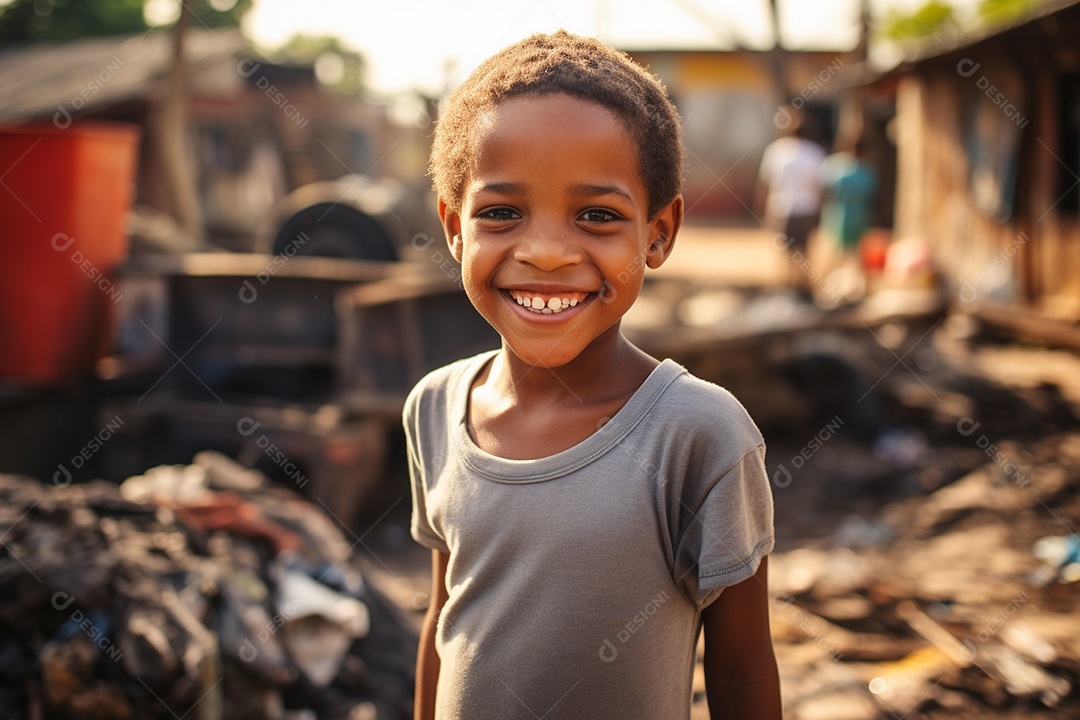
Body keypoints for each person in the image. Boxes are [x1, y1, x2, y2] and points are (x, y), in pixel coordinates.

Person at [406, 30, 779, 720]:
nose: (547, 252)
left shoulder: (699, 433)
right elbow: (443, 617)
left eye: (598, 216)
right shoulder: (433, 407)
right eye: (501, 213)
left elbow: (742, 669)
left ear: (659, 232)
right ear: (455, 228)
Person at [756, 108, 826, 292]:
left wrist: (761, 209)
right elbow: (820, 186)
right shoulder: (815, 153)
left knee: (786, 253)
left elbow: (765, 184)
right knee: (805, 253)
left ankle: (787, 287)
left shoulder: (776, 151)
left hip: (782, 208)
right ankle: (803, 287)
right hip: (808, 208)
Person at [819, 136, 878, 263]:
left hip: (838, 215)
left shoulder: (837, 168)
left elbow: (827, 191)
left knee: (837, 250)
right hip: (859, 216)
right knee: (855, 251)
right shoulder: (866, 173)